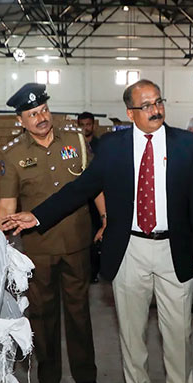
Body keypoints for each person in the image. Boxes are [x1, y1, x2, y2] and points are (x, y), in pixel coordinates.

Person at [2, 79, 193, 383]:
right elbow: (81, 188)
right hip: (128, 249)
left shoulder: (186, 144)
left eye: (158, 102)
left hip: (175, 249)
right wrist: (37, 215)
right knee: (132, 335)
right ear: (130, 113)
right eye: (146, 106)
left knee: (178, 333)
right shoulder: (113, 146)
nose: (155, 110)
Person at [0, 83, 104, 383]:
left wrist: (107, 217)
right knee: (43, 317)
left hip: (77, 244)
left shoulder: (77, 142)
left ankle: (86, 377)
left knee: (79, 313)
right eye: (32, 114)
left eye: (43, 110)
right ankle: (49, 380)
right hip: (39, 249)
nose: (41, 118)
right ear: (21, 121)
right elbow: (7, 204)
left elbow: (96, 184)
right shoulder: (14, 156)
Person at [77, 111, 105, 283]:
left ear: (93, 125)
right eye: (82, 124)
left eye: (88, 124)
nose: (86, 128)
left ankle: (94, 272)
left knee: (97, 235)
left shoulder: (101, 146)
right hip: (81, 197)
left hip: (98, 198)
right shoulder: (73, 146)